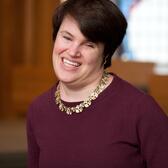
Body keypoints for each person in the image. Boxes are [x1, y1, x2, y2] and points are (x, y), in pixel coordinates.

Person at [26, 0, 168, 167]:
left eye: (89, 44)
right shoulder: (38, 109)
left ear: (106, 54)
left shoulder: (141, 110)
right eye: (67, 37)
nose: (72, 52)